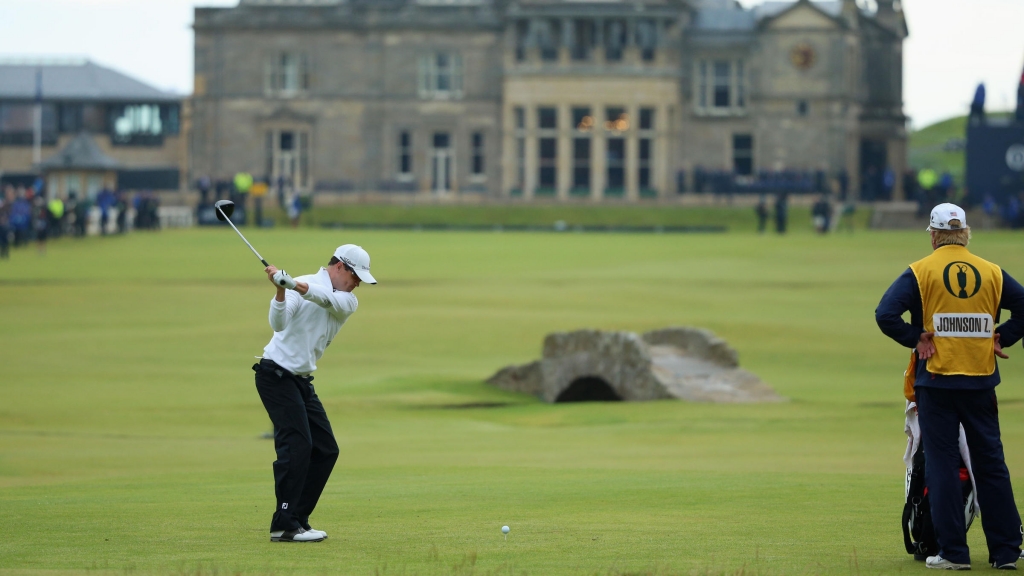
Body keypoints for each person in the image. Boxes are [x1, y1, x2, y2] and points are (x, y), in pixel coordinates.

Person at [875, 203, 1024, 570]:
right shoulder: (991, 272)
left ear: (933, 234)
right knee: (991, 464)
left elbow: (885, 314)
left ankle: (953, 553)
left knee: (941, 464)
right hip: (980, 381)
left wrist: (916, 338)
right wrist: (1001, 336)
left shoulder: (920, 272)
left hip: (937, 382)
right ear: (965, 233)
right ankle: (1006, 552)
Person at [253, 244, 377, 543]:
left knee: (326, 449)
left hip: (300, 381)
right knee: (297, 445)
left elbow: (324, 298)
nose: (358, 282)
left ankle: (298, 519)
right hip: (275, 376)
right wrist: (281, 292)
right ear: (339, 267)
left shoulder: (347, 300)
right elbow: (278, 323)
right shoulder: (300, 283)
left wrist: (293, 284)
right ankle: (283, 524)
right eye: (355, 275)